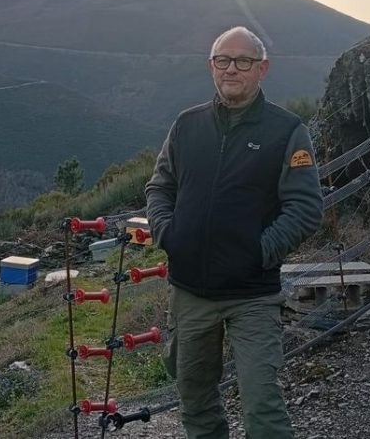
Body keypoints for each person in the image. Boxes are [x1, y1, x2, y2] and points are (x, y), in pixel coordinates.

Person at [145, 26, 323, 439]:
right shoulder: (187, 125)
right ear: (211, 66)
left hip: (252, 296)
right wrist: (168, 234)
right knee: (195, 399)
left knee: (262, 403)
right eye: (223, 60)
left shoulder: (286, 131)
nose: (231, 69)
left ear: (262, 69)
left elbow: (306, 207)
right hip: (189, 292)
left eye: (243, 61)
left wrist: (260, 252)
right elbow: (159, 185)